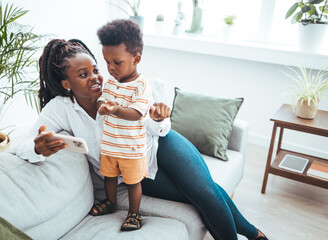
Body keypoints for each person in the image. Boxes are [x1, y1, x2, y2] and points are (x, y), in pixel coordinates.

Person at [15, 36, 268, 240]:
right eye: (83, 74)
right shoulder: (60, 109)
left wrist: (158, 119)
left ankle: (253, 234)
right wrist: (38, 148)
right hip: (138, 172)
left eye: (95, 69)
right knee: (197, 198)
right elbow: (23, 145)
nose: (95, 77)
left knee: (205, 192)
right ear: (66, 84)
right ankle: (256, 235)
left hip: (163, 145)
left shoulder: (120, 86)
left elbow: (155, 126)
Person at [90, 19, 152, 231]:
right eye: (107, 62)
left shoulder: (141, 85)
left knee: (134, 182)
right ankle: (110, 202)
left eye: (117, 62)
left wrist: (115, 109)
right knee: (109, 177)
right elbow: (101, 100)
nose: (110, 68)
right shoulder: (110, 82)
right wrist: (101, 106)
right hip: (110, 145)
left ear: (136, 59)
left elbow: (136, 113)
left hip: (131, 148)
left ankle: (134, 214)